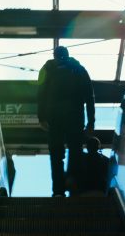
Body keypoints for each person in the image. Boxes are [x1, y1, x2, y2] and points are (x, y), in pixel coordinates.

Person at [38, 46, 95, 197]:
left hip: (54, 118)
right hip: (75, 116)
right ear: (68, 55)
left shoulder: (47, 69)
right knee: (75, 153)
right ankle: (74, 189)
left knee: (56, 155)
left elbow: (41, 94)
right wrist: (91, 121)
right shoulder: (79, 69)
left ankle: (58, 192)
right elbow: (89, 96)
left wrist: (41, 117)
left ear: (54, 55)